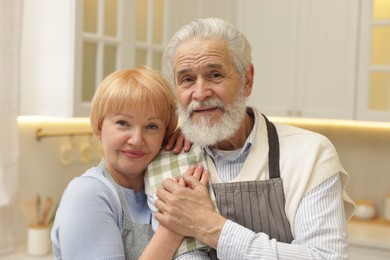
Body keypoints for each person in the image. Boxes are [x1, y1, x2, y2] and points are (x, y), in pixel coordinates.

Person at [151, 17, 356, 259]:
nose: (200, 93)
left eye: (215, 75)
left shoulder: (311, 154)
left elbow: (326, 257)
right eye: (186, 79)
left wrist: (210, 226)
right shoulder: (169, 161)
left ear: (247, 80)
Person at [50, 66, 208, 260]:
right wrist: (175, 226)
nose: (136, 139)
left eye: (152, 126)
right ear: (100, 128)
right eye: (123, 123)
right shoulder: (86, 194)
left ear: (165, 135)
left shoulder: (160, 183)